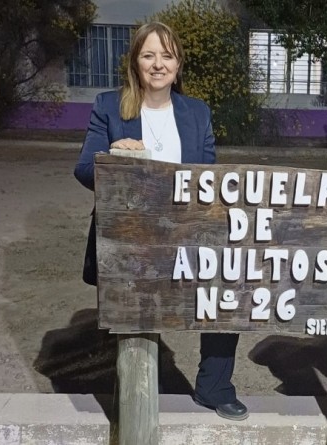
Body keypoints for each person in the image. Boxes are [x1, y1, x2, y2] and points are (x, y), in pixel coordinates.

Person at [73, 21, 248, 421]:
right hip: (131, 239)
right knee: (135, 304)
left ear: (178, 63)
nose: (157, 64)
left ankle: (214, 386)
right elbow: (83, 169)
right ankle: (136, 390)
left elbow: (208, 178)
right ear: (135, 62)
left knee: (231, 282)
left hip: (187, 232)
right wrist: (114, 156)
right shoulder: (108, 106)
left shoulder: (197, 112)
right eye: (148, 55)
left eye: (166, 56)